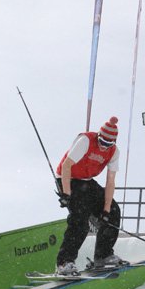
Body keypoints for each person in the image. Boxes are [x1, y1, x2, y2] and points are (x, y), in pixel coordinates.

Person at [55, 116, 128, 276]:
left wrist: (106, 210)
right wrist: (66, 194)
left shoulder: (114, 152)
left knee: (114, 211)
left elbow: (110, 180)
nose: (103, 147)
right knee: (80, 220)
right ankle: (64, 262)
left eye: (108, 144)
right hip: (68, 178)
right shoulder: (86, 141)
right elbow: (67, 165)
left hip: (87, 181)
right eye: (102, 142)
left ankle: (103, 255)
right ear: (98, 136)